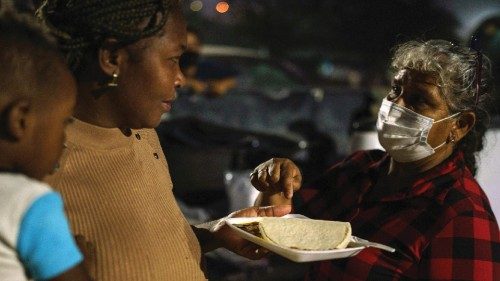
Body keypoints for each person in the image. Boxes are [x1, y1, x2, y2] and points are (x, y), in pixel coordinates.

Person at [35, 1, 290, 280]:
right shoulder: (39, 165)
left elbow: (145, 246)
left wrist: (216, 233)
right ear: (110, 58)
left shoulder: (142, 135)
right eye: (172, 60)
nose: (181, 78)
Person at [251, 39, 500, 280]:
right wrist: (275, 183)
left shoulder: (462, 217)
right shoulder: (360, 169)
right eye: (396, 90)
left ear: (460, 125)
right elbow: (278, 238)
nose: (397, 105)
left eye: (419, 100)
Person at [0, 4, 90, 281]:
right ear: (20, 120)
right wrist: (83, 261)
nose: (64, 140)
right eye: (63, 122)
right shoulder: (28, 203)